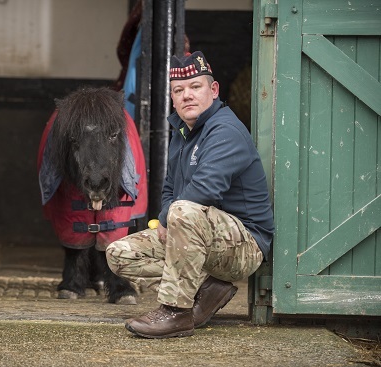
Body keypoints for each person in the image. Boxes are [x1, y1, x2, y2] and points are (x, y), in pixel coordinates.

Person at [105, 51, 274, 339]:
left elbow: (205, 190)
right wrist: (165, 220)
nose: (187, 96)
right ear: (172, 98)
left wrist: (171, 220)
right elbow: (169, 187)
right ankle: (208, 289)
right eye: (179, 91)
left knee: (184, 210)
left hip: (244, 245)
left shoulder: (225, 131)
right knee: (119, 254)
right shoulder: (182, 132)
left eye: (196, 87)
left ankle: (176, 312)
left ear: (214, 90)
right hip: (198, 234)